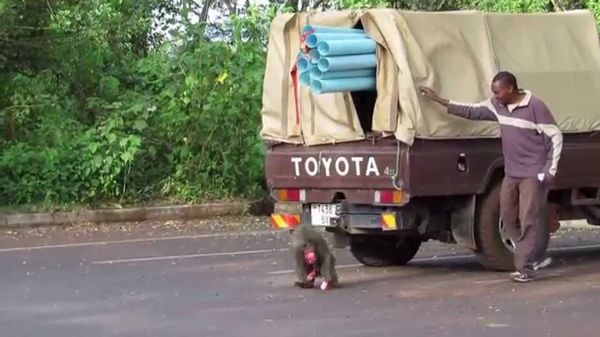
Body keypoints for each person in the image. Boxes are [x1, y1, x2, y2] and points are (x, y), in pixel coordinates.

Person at [419, 71, 563, 282]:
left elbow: (555, 135)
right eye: (493, 93)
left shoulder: (535, 107)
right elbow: (471, 110)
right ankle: (530, 257)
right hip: (512, 174)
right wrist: (437, 99)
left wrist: (550, 169)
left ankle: (525, 268)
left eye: (498, 92)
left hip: (533, 174)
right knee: (507, 214)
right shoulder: (497, 106)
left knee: (528, 218)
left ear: (510, 88)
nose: (495, 96)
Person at [291, 223, 338, 290]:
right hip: (305, 245)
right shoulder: (299, 247)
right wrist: (303, 278)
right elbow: (299, 264)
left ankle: (330, 279)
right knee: (300, 261)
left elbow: (327, 258)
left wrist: (327, 275)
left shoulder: (319, 243)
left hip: (319, 252)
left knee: (327, 259)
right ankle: (305, 280)